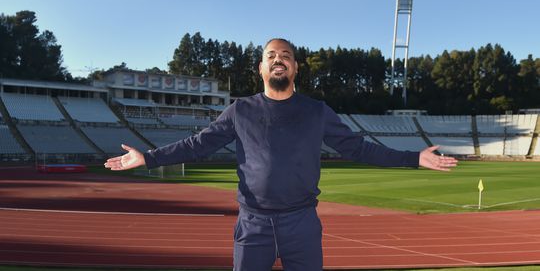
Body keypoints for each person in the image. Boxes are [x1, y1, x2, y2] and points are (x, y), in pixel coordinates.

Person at [105, 38, 458, 271]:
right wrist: (148, 158)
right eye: (271, 56)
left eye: (286, 56)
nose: (278, 60)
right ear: (261, 68)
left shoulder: (317, 111)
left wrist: (412, 158)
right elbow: (199, 144)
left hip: (301, 223)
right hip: (253, 224)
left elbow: (358, 147)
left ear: (295, 68)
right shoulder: (240, 110)